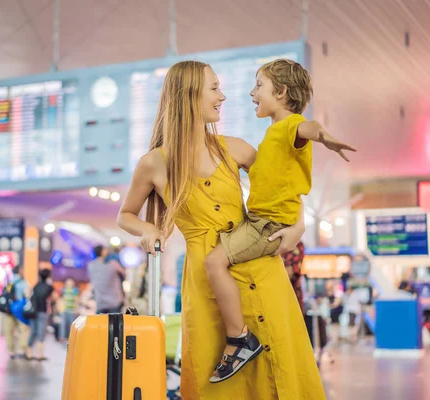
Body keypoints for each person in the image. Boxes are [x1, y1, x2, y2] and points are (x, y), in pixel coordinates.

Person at [117, 61, 326, 398]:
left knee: (281, 369)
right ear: (188, 95)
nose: (223, 96)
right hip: (206, 281)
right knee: (215, 376)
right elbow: (125, 214)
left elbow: (282, 186)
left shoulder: (235, 148)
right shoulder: (154, 162)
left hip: (261, 269)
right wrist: (147, 230)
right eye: (214, 88)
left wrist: (298, 226)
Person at [203, 59, 354, 381]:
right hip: (260, 219)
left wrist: (324, 136)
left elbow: (306, 129)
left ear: (282, 91)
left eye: (259, 86)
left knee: (215, 262)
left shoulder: (288, 126)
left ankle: (239, 338)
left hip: (265, 224)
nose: (251, 93)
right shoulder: (273, 135)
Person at [88, 245, 126, 314]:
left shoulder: (91, 266)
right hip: (114, 302)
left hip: (100, 302)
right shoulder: (113, 265)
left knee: (101, 324)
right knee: (114, 324)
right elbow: (124, 273)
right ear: (103, 252)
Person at [26, 268, 54, 361]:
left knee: (33, 331)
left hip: (33, 311)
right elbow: (53, 298)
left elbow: (28, 294)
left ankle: (29, 352)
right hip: (43, 311)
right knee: (41, 332)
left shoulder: (36, 285)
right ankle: (40, 354)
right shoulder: (49, 287)